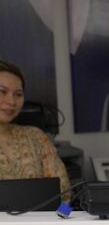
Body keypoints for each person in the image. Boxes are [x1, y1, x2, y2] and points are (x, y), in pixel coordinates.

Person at [0, 60, 70, 195]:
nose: (11, 101)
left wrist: (61, 215)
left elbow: (64, 193)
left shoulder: (36, 137)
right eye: (2, 91)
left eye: (18, 94)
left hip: (42, 216)